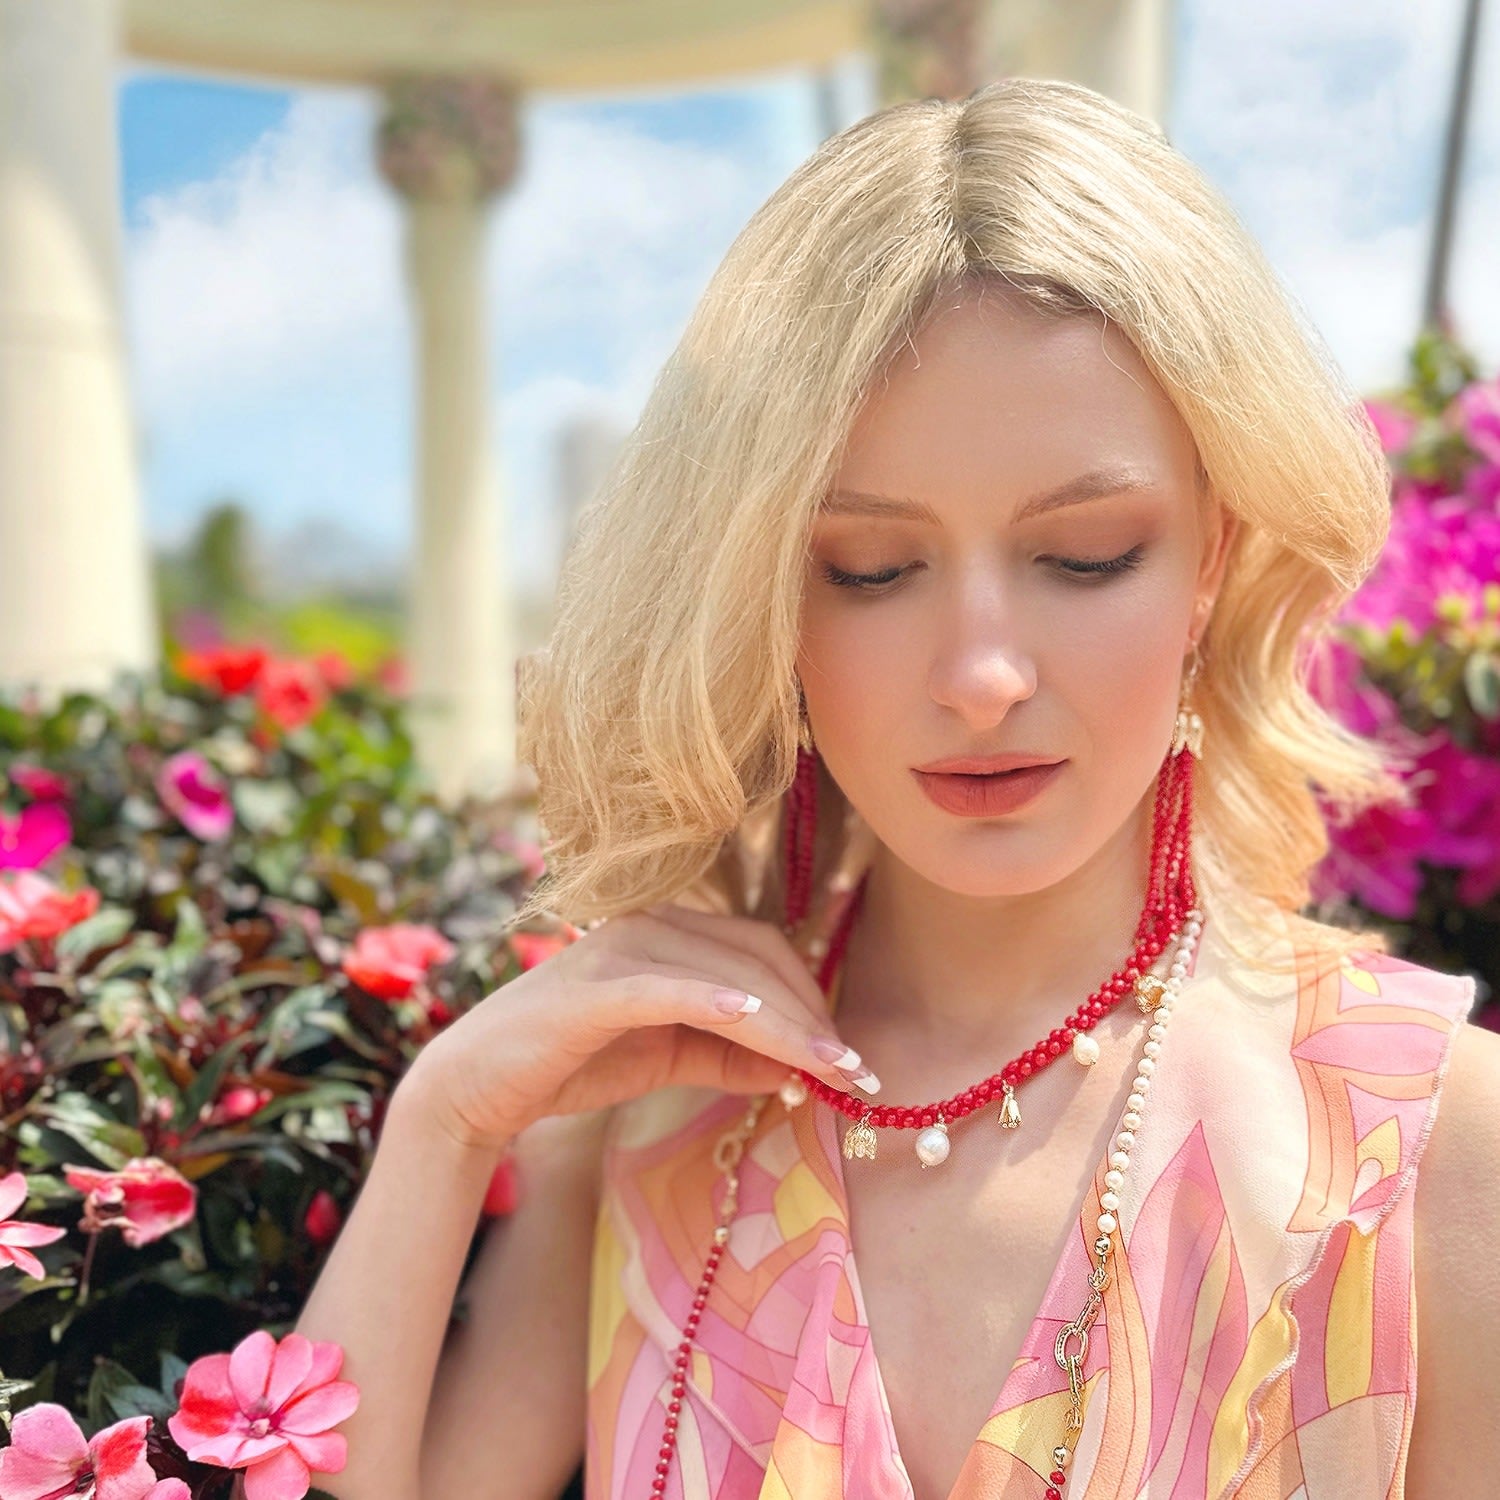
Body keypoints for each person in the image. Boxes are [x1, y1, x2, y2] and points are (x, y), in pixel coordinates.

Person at [291, 78, 1498, 1500]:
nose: (981, 671)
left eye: (1087, 553)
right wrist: (445, 1122)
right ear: (766, 604)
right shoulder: (645, 1117)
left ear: (1212, 565)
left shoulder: (1431, 1145)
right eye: (869, 568)